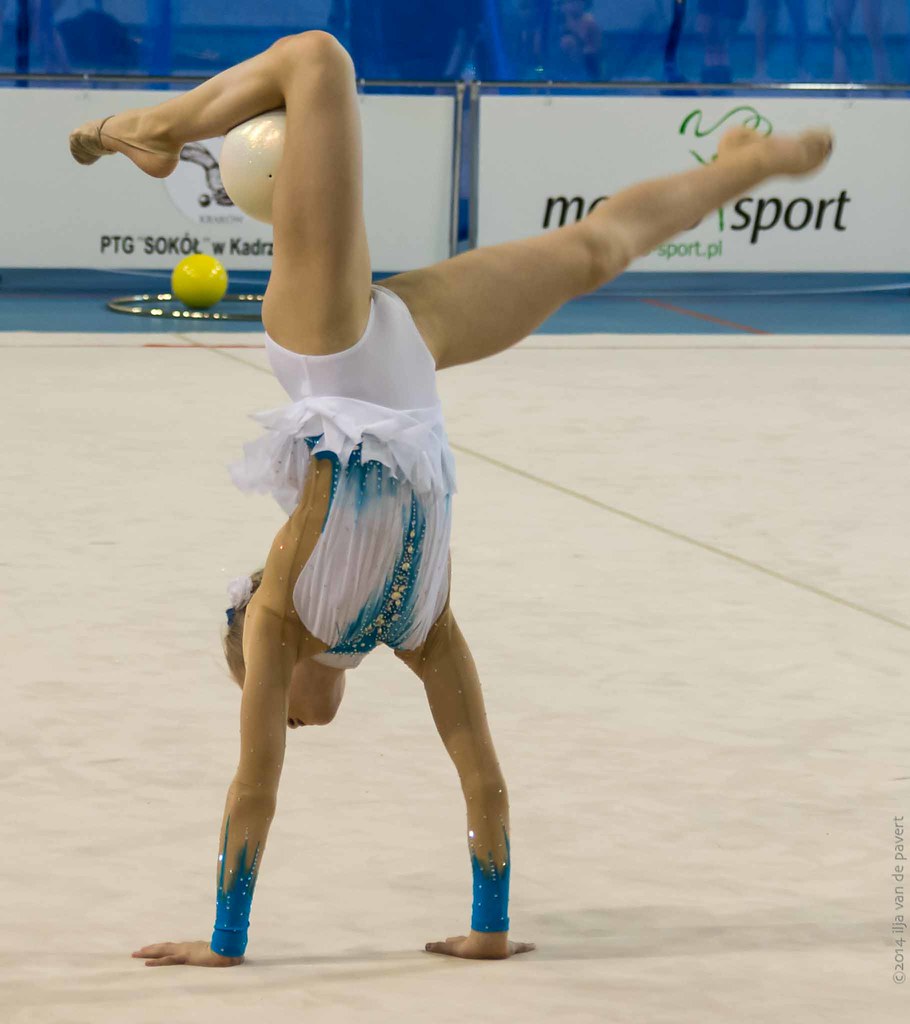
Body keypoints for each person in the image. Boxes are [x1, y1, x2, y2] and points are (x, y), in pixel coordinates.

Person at [69, 30, 832, 968]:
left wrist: (225, 941)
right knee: (593, 249)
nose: (301, 725)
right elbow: (483, 777)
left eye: (289, 718)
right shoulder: (419, 624)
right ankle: (742, 167)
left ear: (257, 659)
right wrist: (491, 926)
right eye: (293, 721)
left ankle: (149, 128)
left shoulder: (276, 613)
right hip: (403, 346)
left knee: (319, 60)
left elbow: (253, 787)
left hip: (332, 353)